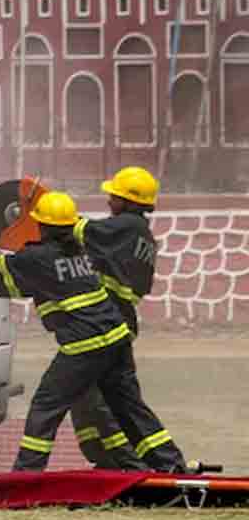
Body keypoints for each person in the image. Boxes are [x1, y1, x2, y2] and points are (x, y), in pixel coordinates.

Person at [0, 191, 187, 473]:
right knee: (129, 408)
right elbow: (26, 281)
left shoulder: (37, 258)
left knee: (46, 406)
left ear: (41, 225)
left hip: (85, 345)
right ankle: (172, 466)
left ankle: (27, 474)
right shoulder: (81, 252)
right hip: (117, 337)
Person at [67, 167, 161, 470]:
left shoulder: (127, 227)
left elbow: (85, 231)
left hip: (108, 322)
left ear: (128, 201)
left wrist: (49, 214)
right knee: (92, 396)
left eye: (114, 196)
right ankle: (110, 459)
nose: (108, 200)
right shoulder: (138, 234)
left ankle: (128, 463)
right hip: (116, 319)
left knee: (98, 397)